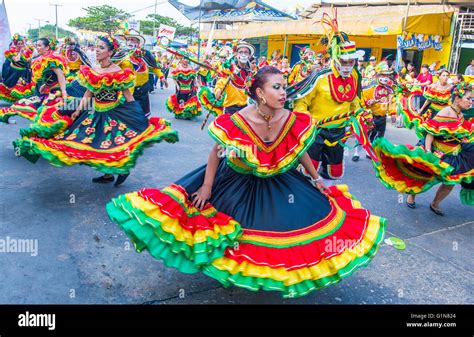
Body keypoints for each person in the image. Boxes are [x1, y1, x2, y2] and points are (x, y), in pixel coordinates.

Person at [106, 66, 386, 298]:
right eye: (276, 87)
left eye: (284, 86)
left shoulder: (293, 118)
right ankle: (236, 271)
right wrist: (206, 185)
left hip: (279, 181)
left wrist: (316, 179)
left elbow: (298, 152)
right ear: (259, 93)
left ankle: (273, 275)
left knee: (291, 230)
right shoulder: (236, 120)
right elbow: (217, 152)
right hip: (236, 180)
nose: (283, 92)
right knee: (216, 229)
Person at [13, 35, 179, 187]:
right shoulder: (94, 70)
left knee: (112, 143)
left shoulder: (118, 72)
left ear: (110, 52)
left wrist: (136, 115)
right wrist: (78, 111)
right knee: (90, 141)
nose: (96, 50)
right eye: (96, 47)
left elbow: (128, 96)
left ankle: (122, 170)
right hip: (94, 110)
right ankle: (107, 174)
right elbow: (88, 93)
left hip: (113, 112)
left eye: (101, 48)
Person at [372, 82, 473, 215]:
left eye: (472, 99)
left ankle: (435, 204)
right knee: (422, 177)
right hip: (437, 152)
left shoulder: (460, 114)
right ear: (458, 98)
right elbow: (430, 132)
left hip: (454, 155)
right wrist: (428, 152)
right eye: (469, 99)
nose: (471, 102)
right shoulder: (446, 112)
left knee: (450, 182)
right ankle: (411, 196)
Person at [292, 35, 366, 180]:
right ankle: (308, 196)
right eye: (344, 62)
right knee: (309, 170)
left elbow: (354, 102)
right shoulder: (319, 78)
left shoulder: (354, 77)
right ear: (335, 59)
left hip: (339, 132)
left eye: (351, 62)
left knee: (334, 171)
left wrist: (359, 116)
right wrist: (306, 120)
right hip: (316, 131)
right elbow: (301, 103)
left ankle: (329, 198)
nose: (348, 66)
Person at [0, 37, 69, 123]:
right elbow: (50, 76)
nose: (37, 47)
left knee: (45, 113)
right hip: (46, 90)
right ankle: (6, 116)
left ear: (47, 47)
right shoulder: (42, 58)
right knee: (23, 103)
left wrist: (63, 91)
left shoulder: (52, 59)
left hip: (56, 92)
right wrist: (45, 85)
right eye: (37, 45)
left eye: (39, 46)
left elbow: (60, 75)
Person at [353, 61, 396, 162]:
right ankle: (356, 153)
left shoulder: (389, 89)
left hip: (382, 117)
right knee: (363, 135)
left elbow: (392, 102)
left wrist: (393, 113)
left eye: (387, 75)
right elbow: (361, 101)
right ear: (377, 75)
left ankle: (369, 152)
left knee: (377, 136)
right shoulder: (369, 87)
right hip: (369, 116)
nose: (385, 77)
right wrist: (368, 102)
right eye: (382, 75)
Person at [214, 40, 254, 115]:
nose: (243, 54)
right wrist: (218, 92)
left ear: (249, 55)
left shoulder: (251, 72)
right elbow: (220, 84)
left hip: (244, 110)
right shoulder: (229, 70)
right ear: (236, 54)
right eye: (241, 52)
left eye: (246, 52)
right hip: (230, 108)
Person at [0, 33, 35, 103]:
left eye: (21, 43)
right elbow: (16, 59)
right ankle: (16, 102)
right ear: (15, 44)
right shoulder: (11, 52)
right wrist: (20, 53)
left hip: (24, 72)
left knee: (22, 87)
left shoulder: (27, 51)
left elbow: (28, 61)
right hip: (14, 72)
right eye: (18, 44)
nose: (20, 45)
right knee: (12, 87)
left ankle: (20, 102)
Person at [166, 54, 202, 120]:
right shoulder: (178, 67)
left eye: (187, 59)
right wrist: (176, 85)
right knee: (180, 99)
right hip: (180, 86)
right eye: (184, 59)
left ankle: (188, 114)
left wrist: (195, 83)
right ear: (181, 59)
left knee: (189, 99)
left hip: (190, 86)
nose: (186, 60)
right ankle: (179, 113)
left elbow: (193, 77)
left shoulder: (190, 67)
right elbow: (174, 77)